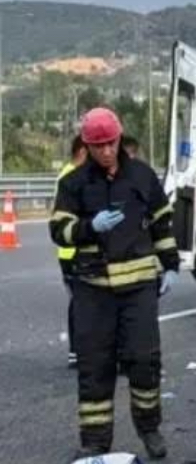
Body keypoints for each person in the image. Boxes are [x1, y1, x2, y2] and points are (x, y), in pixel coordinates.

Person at [50, 108, 178, 459]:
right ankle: (95, 441)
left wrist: (171, 265)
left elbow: (162, 222)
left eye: (111, 143)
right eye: (98, 145)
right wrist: (90, 226)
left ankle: (149, 428)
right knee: (95, 366)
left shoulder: (141, 176)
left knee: (143, 360)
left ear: (119, 139)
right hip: (93, 288)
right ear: (87, 146)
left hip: (138, 287)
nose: (106, 151)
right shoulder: (73, 183)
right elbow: (58, 230)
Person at [56, 135, 88, 368]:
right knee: (80, 302)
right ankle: (77, 352)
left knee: (79, 301)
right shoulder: (71, 177)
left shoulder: (69, 173)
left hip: (68, 251)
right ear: (82, 152)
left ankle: (77, 351)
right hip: (73, 252)